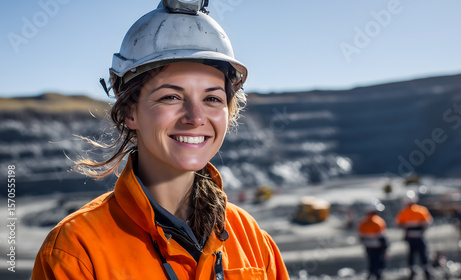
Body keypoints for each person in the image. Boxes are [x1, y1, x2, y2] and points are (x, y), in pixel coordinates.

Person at [31, 1, 289, 279]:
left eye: (212, 98)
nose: (195, 117)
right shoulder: (76, 251)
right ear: (130, 111)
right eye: (171, 97)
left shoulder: (251, 240)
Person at [396, 190, 433, 280]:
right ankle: (426, 271)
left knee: (411, 255)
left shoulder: (403, 212)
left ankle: (412, 271)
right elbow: (428, 222)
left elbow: (399, 223)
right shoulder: (421, 210)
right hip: (420, 236)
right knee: (423, 254)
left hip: (410, 238)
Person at [358, 199, 388, 280]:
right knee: (379, 266)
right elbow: (382, 238)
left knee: (371, 264)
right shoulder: (379, 221)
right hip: (378, 248)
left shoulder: (362, 222)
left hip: (368, 248)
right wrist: (385, 249)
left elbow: (361, 237)